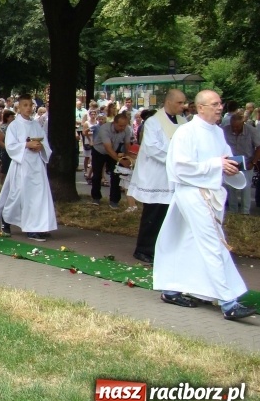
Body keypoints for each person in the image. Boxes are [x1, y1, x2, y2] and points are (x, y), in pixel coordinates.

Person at [153, 90, 255, 321]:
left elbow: (224, 162)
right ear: (200, 108)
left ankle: (171, 288)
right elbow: (179, 167)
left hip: (212, 194)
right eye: (214, 104)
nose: (220, 108)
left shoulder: (217, 133)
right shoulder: (185, 133)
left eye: (220, 104)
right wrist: (215, 164)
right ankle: (228, 301)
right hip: (193, 193)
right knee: (213, 243)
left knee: (186, 242)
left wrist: (230, 167)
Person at [127, 90, 187, 263]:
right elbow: (153, 148)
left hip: (175, 176)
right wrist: (177, 159)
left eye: (184, 103)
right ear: (169, 102)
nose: (183, 106)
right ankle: (144, 249)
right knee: (154, 213)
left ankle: (164, 249)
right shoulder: (153, 122)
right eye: (180, 103)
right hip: (156, 175)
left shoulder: (183, 122)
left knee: (169, 215)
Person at [0, 94, 57, 242]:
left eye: (30, 105)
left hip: (37, 166)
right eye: (24, 105)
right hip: (22, 165)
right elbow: (10, 146)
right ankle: (8, 220)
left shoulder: (35, 124)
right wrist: (26, 145)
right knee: (20, 196)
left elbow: (45, 143)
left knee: (39, 197)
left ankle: (38, 226)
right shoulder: (15, 125)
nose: (28, 108)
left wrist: (40, 147)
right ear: (19, 107)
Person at [90, 112, 133, 208]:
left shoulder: (126, 129)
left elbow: (127, 145)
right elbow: (108, 148)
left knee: (116, 175)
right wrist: (121, 161)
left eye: (124, 125)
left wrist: (128, 157)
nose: (122, 128)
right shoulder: (104, 129)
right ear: (114, 123)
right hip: (99, 151)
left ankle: (114, 200)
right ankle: (96, 197)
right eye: (120, 126)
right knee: (97, 175)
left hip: (114, 150)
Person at [223, 113, 260, 215]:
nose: (234, 129)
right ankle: (233, 211)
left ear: (243, 123)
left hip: (247, 162)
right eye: (233, 126)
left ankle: (245, 212)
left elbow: (259, 147)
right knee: (231, 187)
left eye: (237, 127)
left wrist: (253, 162)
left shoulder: (252, 131)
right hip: (231, 161)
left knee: (246, 187)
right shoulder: (225, 130)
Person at [0, 110, 15, 183]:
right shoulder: (3, 127)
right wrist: (7, 149)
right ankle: (1, 181)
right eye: (12, 117)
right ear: (7, 117)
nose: (13, 118)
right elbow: (0, 141)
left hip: (13, 149)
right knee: (5, 166)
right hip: (5, 150)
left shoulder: (14, 127)